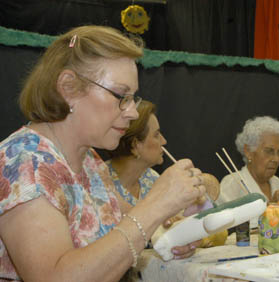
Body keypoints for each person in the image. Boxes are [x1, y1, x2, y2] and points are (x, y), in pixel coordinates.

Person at [0, 25, 206, 281]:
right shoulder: (24, 161)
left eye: (133, 98)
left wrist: (168, 233)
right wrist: (157, 205)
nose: (131, 112)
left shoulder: (88, 160)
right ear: (68, 88)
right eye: (121, 95)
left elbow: (122, 229)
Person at [216, 116, 279, 205]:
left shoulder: (278, 184)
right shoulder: (232, 185)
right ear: (248, 151)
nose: (276, 159)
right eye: (269, 151)